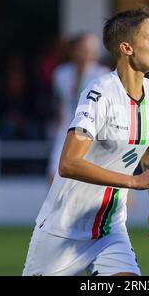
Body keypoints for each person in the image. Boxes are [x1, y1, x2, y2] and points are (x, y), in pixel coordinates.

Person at [23, 6, 149, 276]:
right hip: (63, 231)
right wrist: (134, 181)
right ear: (126, 48)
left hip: (110, 230)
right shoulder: (99, 93)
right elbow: (67, 164)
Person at [47, 33, 109, 186]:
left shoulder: (103, 74)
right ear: (73, 51)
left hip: (94, 129)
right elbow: (62, 104)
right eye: (84, 49)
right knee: (54, 174)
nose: (88, 53)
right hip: (68, 128)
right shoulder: (61, 73)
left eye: (91, 49)